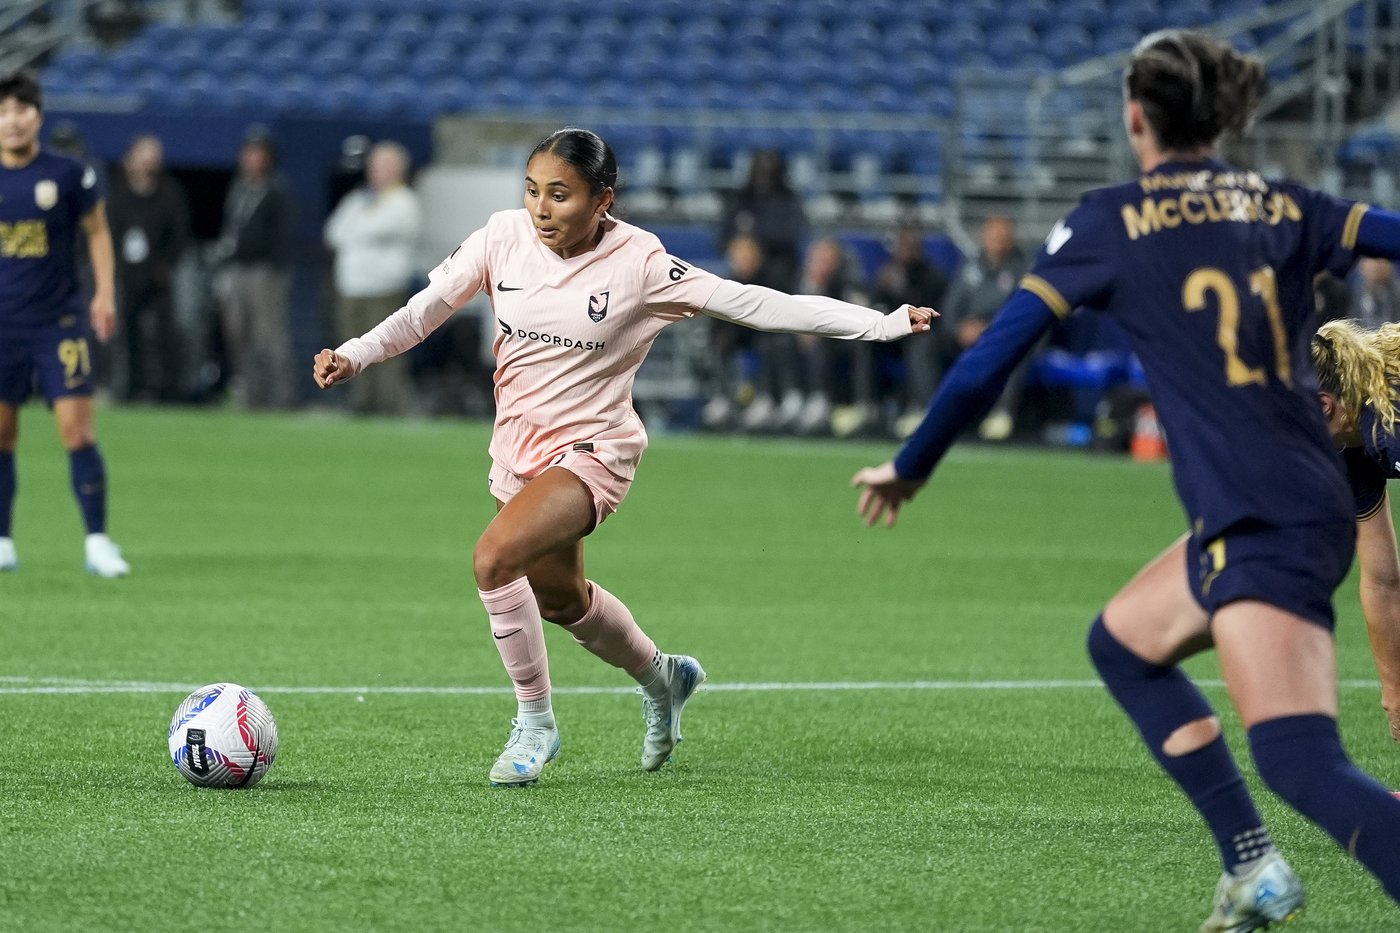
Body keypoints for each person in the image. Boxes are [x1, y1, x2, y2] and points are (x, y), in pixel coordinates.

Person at [851, 31, 1400, 929]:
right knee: (1122, 644)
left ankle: (1262, 865)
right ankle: (1252, 867)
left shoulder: (1111, 219)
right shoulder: (1283, 202)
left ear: (1136, 116)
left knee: (1302, 762)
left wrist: (910, 465)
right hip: (1283, 497)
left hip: (1265, 515)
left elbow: (993, 356)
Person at [314, 128, 933, 787]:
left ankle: (535, 722)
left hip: (593, 451)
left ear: (602, 199)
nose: (541, 208)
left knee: (494, 558)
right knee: (560, 597)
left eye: (560, 194)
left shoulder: (640, 264)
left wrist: (880, 323)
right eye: (532, 191)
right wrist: (357, 352)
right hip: (517, 446)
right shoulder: (502, 237)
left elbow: (755, 303)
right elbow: (425, 309)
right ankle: (664, 677)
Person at [0, 70, 128, 576]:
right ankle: (3, 540)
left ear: (38, 117)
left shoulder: (69, 173)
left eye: (22, 110)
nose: (12, 121)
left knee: (76, 430)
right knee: (2, 432)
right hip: (2, 325)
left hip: (59, 321)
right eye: (5, 111)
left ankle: (98, 542)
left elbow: (97, 233)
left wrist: (103, 292)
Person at [1312, 320, 1400, 741]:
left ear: (1324, 404)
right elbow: (1382, 581)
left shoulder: (1390, 429)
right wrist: (1395, 690)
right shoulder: (1349, 447)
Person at [903, 216, 1027, 440]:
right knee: (923, 342)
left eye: (1002, 236)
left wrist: (990, 330)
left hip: (999, 338)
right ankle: (931, 412)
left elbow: (1023, 312)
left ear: (1011, 240)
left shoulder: (1023, 270)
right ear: (984, 238)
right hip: (964, 337)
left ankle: (1002, 414)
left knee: (1018, 349)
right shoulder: (970, 266)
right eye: (993, 235)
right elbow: (950, 306)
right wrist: (959, 329)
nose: (997, 240)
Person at [324, 140, 423, 416]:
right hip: (351, 286)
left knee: (387, 349)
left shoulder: (404, 201)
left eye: (386, 166)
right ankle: (361, 403)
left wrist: (358, 230)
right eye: (376, 166)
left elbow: (376, 228)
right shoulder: (358, 199)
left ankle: (390, 405)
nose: (378, 172)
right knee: (351, 347)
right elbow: (334, 232)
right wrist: (360, 229)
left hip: (384, 288)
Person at [213, 127, 297, 409]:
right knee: (238, 335)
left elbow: (282, 236)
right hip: (237, 269)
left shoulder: (277, 189)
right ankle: (249, 395)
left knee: (269, 337)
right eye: (248, 152)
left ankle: (280, 398)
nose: (251, 159)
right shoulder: (239, 188)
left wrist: (276, 269)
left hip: (265, 272)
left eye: (257, 153)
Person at [106, 134, 190, 403]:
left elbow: (179, 233)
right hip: (129, 274)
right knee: (128, 333)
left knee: (166, 332)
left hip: (158, 274)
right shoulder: (119, 195)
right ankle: (131, 386)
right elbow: (110, 234)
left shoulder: (169, 193)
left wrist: (167, 264)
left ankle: (169, 390)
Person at [1348, 257, 1400, 329]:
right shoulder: (1350, 293)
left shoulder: (1397, 293)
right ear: (1360, 265)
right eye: (1371, 259)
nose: (1376, 265)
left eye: (1381, 259)